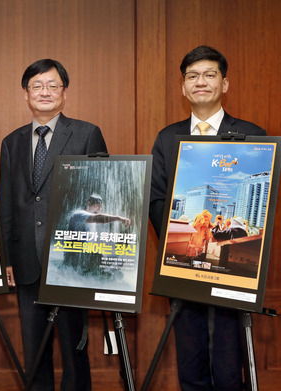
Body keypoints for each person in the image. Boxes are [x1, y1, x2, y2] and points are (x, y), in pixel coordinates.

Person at [149, 45, 267, 391]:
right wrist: (180, 254)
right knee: (191, 360)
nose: (201, 82)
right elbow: (158, 200)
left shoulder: (253, 136)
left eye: (209, 75)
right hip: (183, 269)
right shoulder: (167, 138)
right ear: (184, 87)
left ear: (224, 84)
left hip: (234, 274)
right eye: (192, 76)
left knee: (230, 365)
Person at [0, 58, 107, 390]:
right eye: (37, 86)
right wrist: (6, 259)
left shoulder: (87, 134)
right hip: (26, 261)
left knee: (75, 350)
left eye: (52, 85)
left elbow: (102, 196)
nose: (44, 92)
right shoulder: (12, 142)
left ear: (64, 92)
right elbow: (7, 203)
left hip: (72, 260)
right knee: (35, 350)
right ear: (25, 93)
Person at [65, 194, 130, 272]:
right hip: (74, 260)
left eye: (101, 207)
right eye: (97, 206)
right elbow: (99, 218)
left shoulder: (91, 222)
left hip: (83, 259)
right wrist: (119, 218)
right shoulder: (79, 214)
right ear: (89, 203)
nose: (99, 209)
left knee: (118, 257)